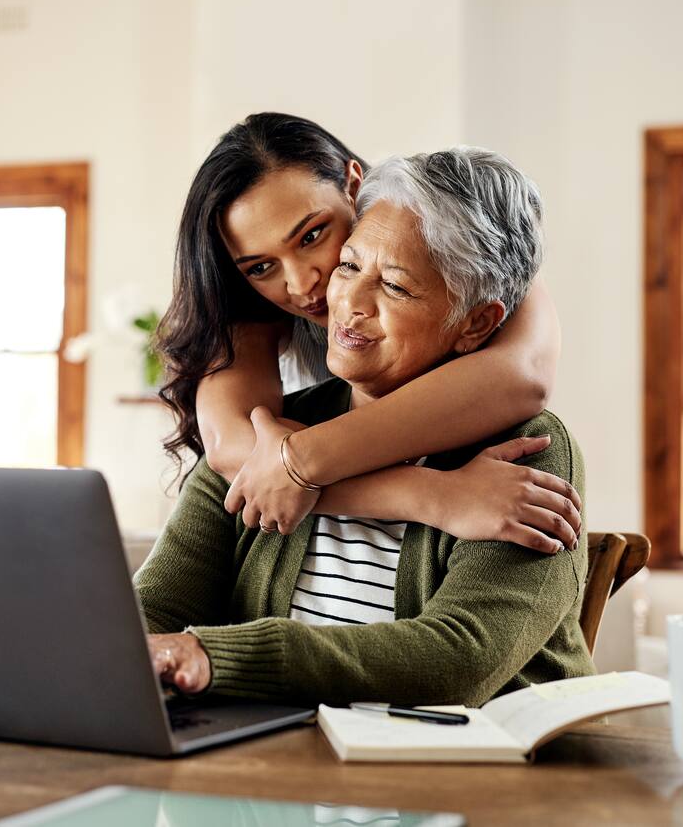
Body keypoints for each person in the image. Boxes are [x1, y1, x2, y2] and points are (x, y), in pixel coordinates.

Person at [136, 147, 594, 706]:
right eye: (349, 266)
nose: (343, 301)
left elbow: (458, 661)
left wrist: (218, 656)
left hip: (473, 779)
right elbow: (152, 610)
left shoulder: (532, 449)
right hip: (284, 774)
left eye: (396, 287)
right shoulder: (271, 434)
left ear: (476, 324)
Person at [158, 113, 582, 552]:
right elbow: (236, 451)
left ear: (354, 186)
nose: (303, 284)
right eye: (262, 267)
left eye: (312, 235)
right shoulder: (248, 309)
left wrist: (301, 461)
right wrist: (432, 496)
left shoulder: (462, 241)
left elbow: (522, 376)